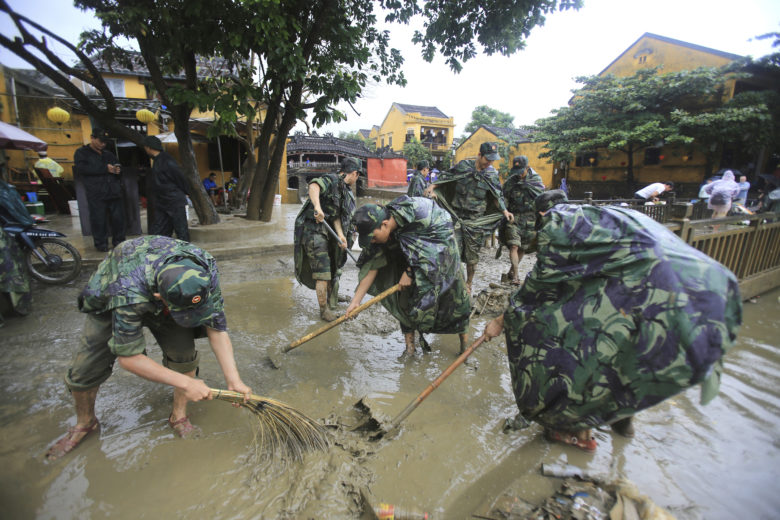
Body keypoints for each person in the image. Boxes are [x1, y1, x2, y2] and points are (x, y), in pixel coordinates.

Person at [482, 190, 741, 453]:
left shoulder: (556, 223)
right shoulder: (597, 216)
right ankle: (622, 428)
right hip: (695, 282)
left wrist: (502, 321)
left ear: (540, 214)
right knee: (627, 350)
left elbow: (538, 289)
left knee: (574, 349)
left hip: (649, 290)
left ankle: (572, 423)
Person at [44, 236, 252, 460]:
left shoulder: (205, 272)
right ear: (158, 297)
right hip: (115, 288)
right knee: (85, 369)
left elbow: (217, 329)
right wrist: (187, 383)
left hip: (162, 289)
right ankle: (86, 423)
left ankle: (178, 416)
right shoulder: (126, 291)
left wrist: (234, 380)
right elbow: (129, 358)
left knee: (184, 358)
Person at [346, 196, 471, 356]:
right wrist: (356, 302)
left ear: (385, 225)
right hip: (406, 256)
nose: (373, 242)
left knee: (456, 301)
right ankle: (410, 348)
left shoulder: (419, 212)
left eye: (374, 238)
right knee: (404, 301)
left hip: (443, 258)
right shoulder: (377, 229)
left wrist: (411, 271)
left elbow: (442, 245)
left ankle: (464, 348)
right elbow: (373, 266)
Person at [424, 142, 514, 294]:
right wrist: (433, 187)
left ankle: (469, 283)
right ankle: (453, 282)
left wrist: (505, 211)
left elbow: (496, 195)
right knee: (453, 251)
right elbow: (446, 178)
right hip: (456, 217)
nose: (489, 163)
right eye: (487, 159)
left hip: (475, 222)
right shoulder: (464, 166)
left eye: (492, 160)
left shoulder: (491, 174)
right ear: (479, 155)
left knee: (472, 258)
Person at [294, 157, 359, 322]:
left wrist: (341, 235)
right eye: (357, 175)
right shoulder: (331, 179)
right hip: (313, 230)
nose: (357, 179)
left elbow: (335, 215)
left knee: (331, 267)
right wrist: (317, 206)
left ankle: (331, 301)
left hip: (327, 231)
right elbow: (314, 186)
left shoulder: (343, 189)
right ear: (354, 173)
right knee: (322, 272)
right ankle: (324, 311)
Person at [74, 128, 125, 252]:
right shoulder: (82, 153)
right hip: (96, 192)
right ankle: (101, 244)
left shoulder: (108, 154)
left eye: (105, 142)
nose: (103, 144)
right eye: (100, 141)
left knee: (118, 218)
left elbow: (116, 167)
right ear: (92, 138)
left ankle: (119, 242)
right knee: (98, 219)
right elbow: (82, 169)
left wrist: (117, 170)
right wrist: (104, 168)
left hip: (113, 191)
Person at [499, 155, 545, 285]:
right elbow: (503, 197)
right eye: (516, 172)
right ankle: (516, 277)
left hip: (530, 220)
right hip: (514, 218)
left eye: (521, 172)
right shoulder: (510, 182)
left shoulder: (536, 181)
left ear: (528, 167)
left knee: (522, 248)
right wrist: (504, 211)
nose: (519, 175)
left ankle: (511, 272)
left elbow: (542, 199)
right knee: (514, 245)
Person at [143, 136, 191, 241]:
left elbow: (180, 178)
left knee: (181, 232)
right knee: (159, 231)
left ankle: (185, 255)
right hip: (163, 202)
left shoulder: (167, 160)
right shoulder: (157, 161)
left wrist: (186, 192)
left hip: (174, 201)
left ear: (148, 147)